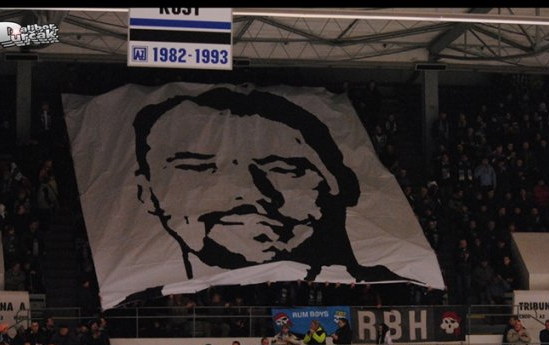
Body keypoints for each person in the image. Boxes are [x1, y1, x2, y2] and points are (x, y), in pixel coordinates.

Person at [132, 87, 408, 283]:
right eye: (200, 169)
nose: (248, 194)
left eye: (282, 170)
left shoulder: (393, 285)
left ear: (341, 186)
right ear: (146, 192)